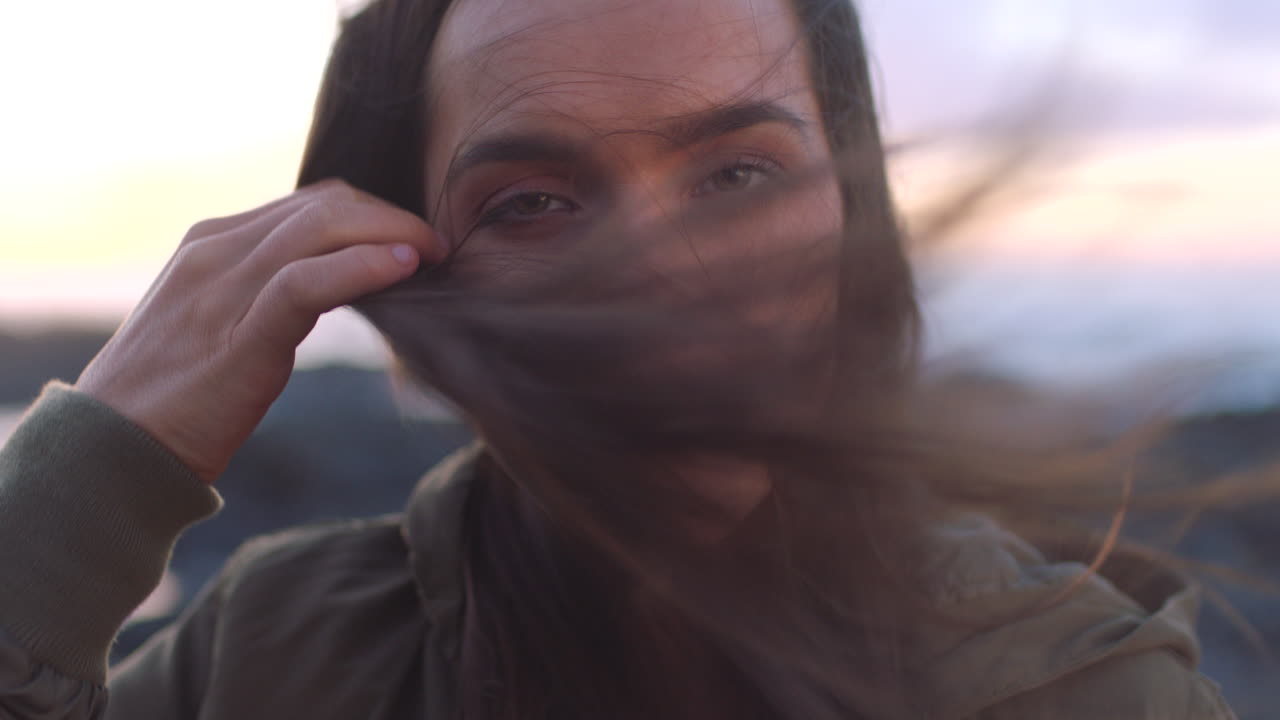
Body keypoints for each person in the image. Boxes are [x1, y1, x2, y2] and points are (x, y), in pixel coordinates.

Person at [0, 0, 1239, 717]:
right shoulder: (271, 652)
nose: (656, 278)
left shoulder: (1079, 691)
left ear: (854, 222)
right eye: (530, 202)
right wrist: (94, 471)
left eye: (738, 174)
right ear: (410, 272)